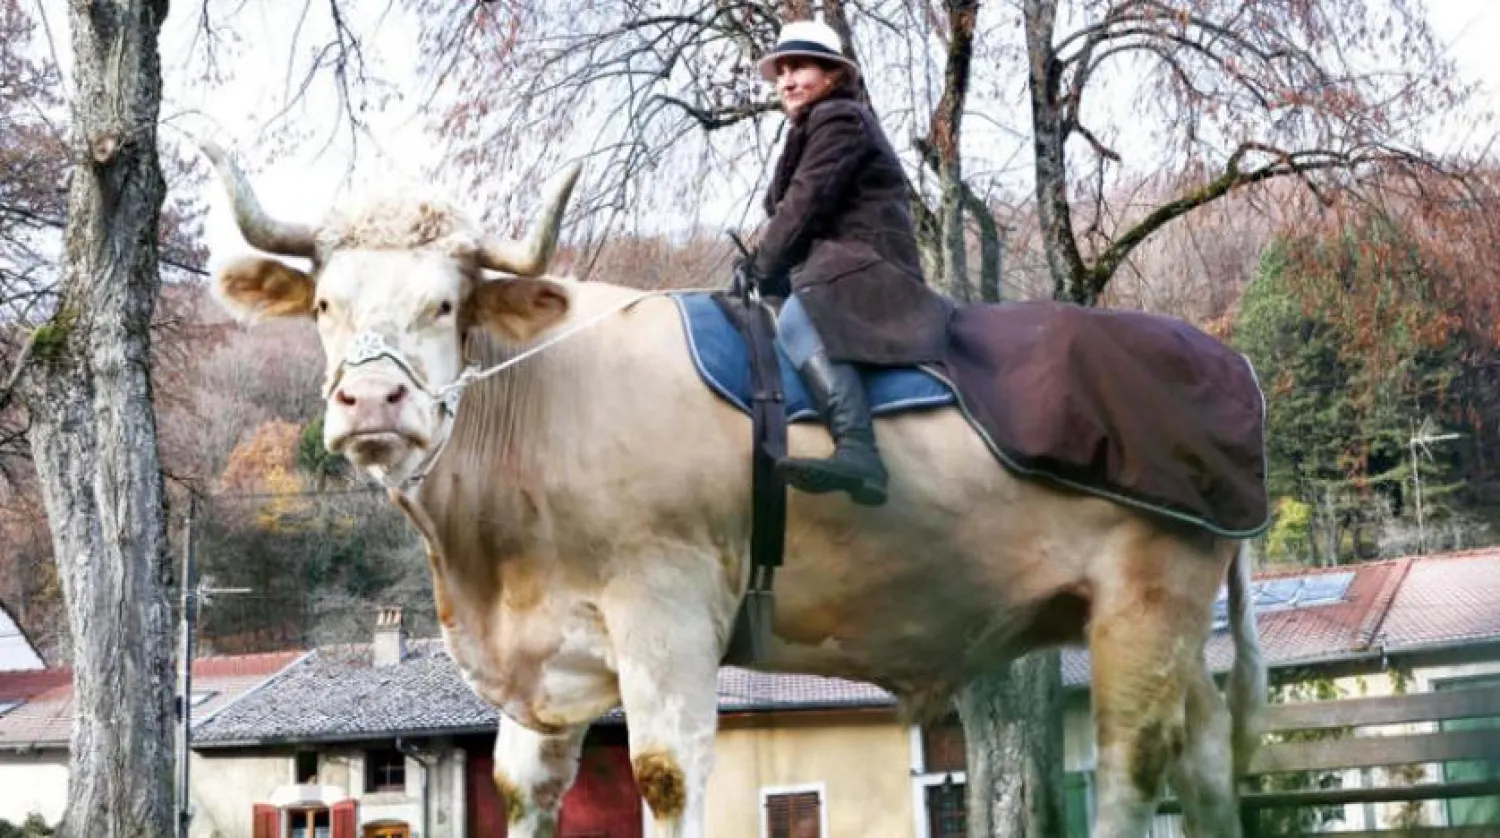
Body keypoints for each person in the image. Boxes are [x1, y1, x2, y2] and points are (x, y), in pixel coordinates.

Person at [737, 19, 952, 508]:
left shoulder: (840, 119)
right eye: (781, 71)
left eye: (800, 68)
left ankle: (858, 449)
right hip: (836, 263)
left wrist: (758, 265)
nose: (786, 80)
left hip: (868, 265)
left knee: (798, 316)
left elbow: (803, 206)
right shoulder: (813, 125)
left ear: (832, 74)